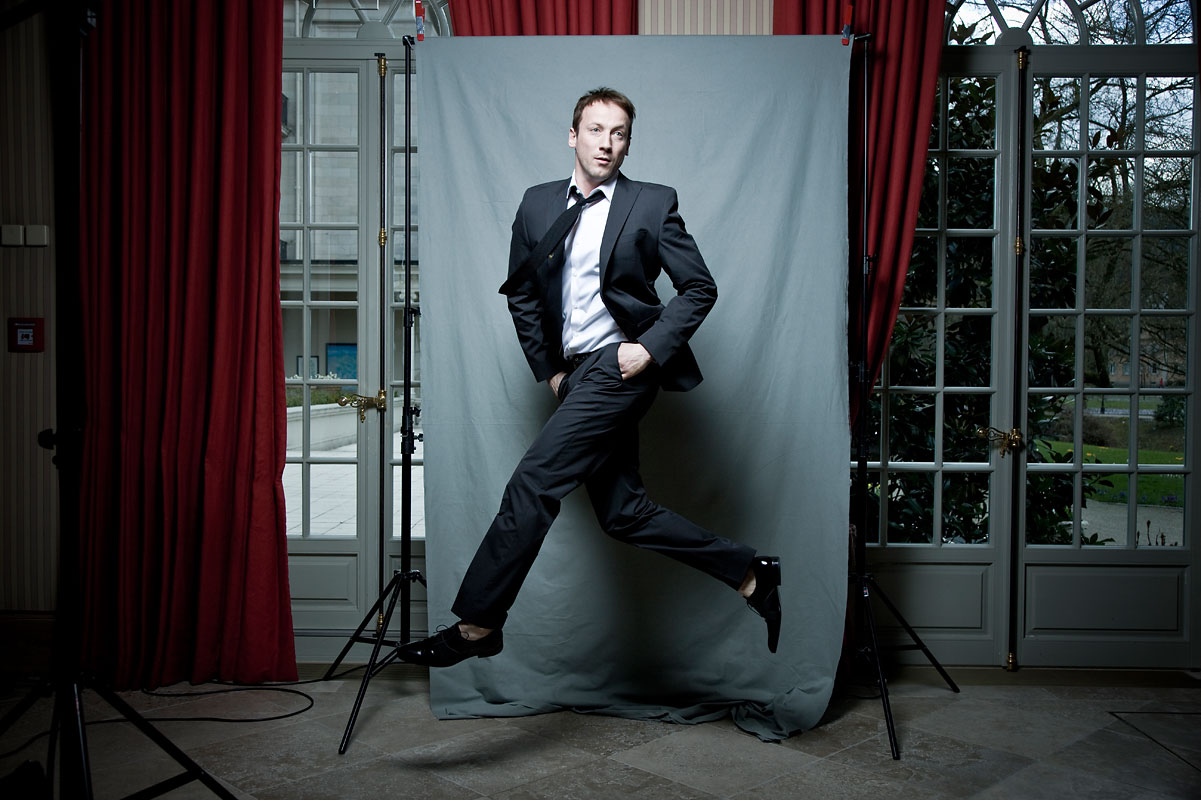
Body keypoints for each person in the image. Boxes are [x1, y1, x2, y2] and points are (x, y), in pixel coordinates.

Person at [398, 88, 781, 668]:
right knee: (624, 514)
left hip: (618, 367)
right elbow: (522, 293)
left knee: (532, 484)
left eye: (619, 133)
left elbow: (699, 286)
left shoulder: (651, 203)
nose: (607, 143)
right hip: (575, 375)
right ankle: (750, 573)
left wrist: (647, 350)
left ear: (628, 144)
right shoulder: (537, 204)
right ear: (573, 136)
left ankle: (478, 624)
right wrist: (551, 371)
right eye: (596, 130)